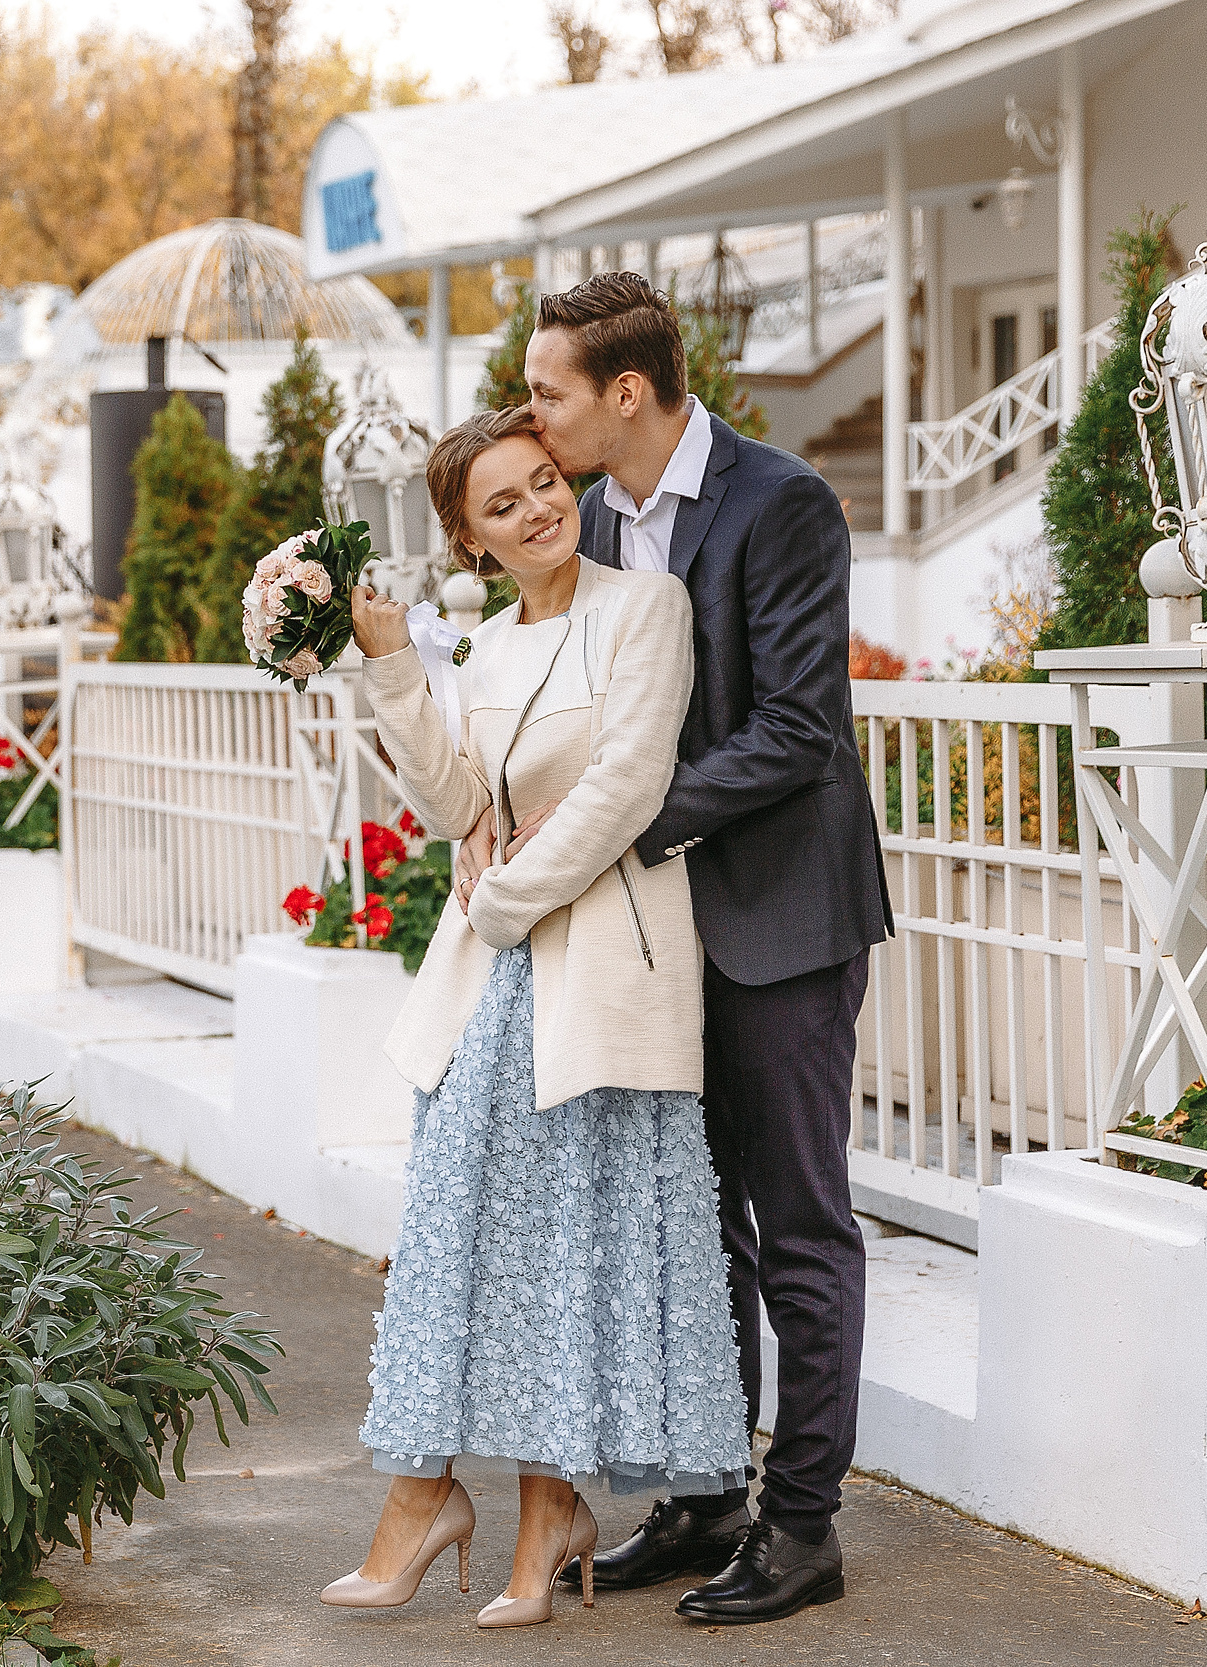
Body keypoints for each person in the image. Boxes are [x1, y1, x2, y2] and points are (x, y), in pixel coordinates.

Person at [321, 403, 749, 1630]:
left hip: (598, 966)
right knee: (465, 1241)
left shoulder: (642, 607)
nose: (537, 509)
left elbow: (628, 783)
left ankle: (544, 1514)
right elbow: (457, 802)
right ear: (471, 540)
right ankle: (430, 1498)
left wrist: (501, 896)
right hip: (493, 986)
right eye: (501, 504)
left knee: (568, 1248)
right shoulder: (486, 647)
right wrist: (394, 668)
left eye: (544, 482)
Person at [517, 271, 893, 1625]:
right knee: (694, 1229)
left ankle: (803, 1523)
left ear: (625, 392)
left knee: (799, 1228)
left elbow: (796, 728)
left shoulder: (782, 501)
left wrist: (621, 819)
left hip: (782, 917)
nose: (532, 415)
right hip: (657, 936)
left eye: (548, 391)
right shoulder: (588, 519)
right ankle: (706, 1494)